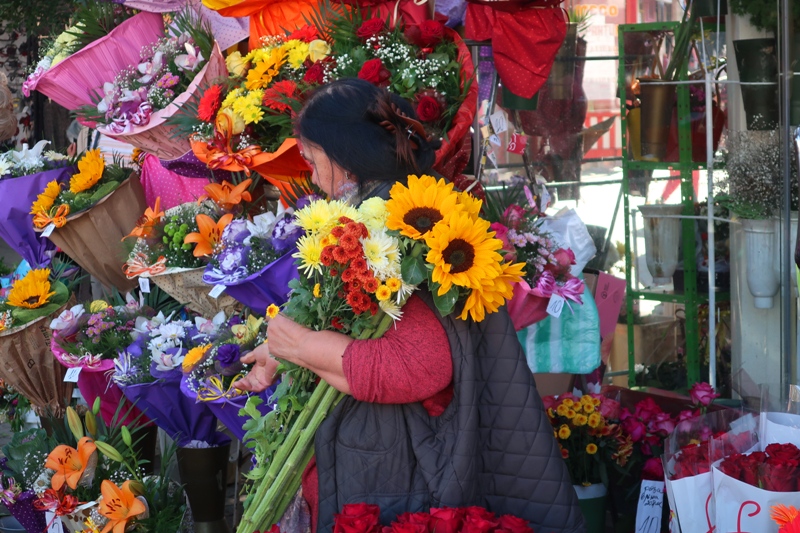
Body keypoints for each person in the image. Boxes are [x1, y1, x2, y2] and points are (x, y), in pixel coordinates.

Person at [235, 78, 586, 533]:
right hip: (383, 456)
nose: (315, 178)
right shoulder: (385, 210)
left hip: (399, 468)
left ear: (343, 156)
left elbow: (420, 365)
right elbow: (358, 327)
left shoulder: (399, 225)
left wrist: (302, 346)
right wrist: (284, 352)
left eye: (313, 160)